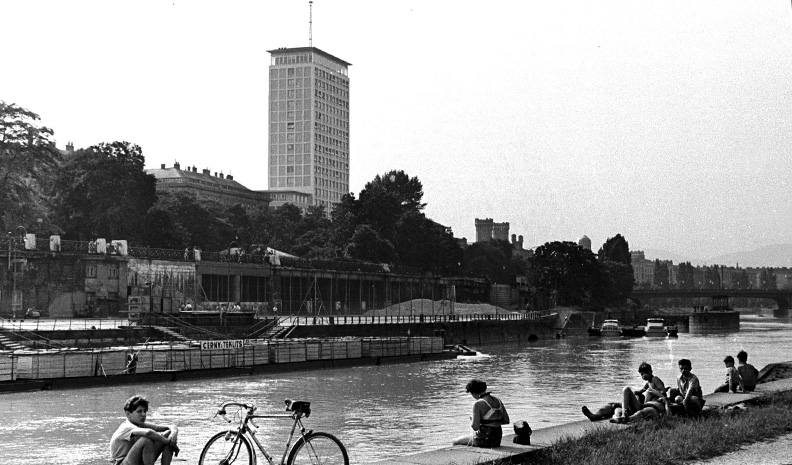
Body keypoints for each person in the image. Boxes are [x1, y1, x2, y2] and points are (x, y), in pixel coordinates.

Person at [582, 361, 667, 422]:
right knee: (621, 395)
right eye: (641, 374)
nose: (643, 376)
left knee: (629, 395)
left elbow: (663, 393)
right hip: (642, 405)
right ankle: (595, 416)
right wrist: (636, 393)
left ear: (650, 372)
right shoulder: (648, 383)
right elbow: (641, 390)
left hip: (651, 406)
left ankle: (624, 415)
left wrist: (652, 392)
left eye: (645, 373)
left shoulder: (655, 379)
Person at [109, 395, 179, 465]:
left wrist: (174, 433)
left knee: (169, 434)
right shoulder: (126, 426)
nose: (143, 414)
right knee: (146, 439)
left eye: (145, 411)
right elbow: (148, 433)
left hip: (135, 461)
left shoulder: (140, 425)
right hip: (122, 463)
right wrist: (169, 443)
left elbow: (171, 427)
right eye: (139, 411)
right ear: (128, 414)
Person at [452, 379, 510, 448]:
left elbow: (475, 427)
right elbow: (506, 421)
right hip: (497, 439)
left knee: (455, 441)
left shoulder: (478, 403)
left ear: (474, 393)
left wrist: (474, 420)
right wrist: (491, 421)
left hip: (484, 440)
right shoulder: (498, 400)